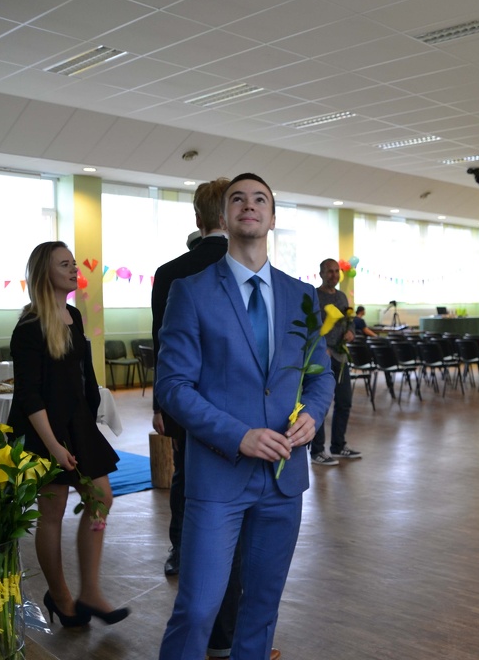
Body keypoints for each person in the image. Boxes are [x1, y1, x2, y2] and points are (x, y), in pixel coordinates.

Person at [156, 173, 334, 660]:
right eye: (238, 199)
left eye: (260, 200)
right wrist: (239, 436)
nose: (249, 205)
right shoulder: (191, 292)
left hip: (283, 477)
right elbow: (172, 387)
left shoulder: (301, 295)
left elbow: (320, 376)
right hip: (218, 476)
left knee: (262, 608)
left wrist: (313, 416)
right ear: (224, 216)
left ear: (272, 218)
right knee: (198, 609)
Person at [8, 241, 129, 628]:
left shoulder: (73, 315)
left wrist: (91, 418)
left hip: (78, 424)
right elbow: (29, 396)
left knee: (101, 497)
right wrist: (54, 447)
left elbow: (83, 374)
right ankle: (60, 597)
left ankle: (90, 591)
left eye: (74, 263)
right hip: (45, 430)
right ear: (44, 273)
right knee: (53, 511)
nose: (74, 269)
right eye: (65, 264)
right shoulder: (29, 328)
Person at [151, 178, 249, 659]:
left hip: (189, 408)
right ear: (231, 215)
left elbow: (164, 346)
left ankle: (184, 560)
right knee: (239, 516)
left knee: (190, 489)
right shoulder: (248, 268)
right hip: (245, 414)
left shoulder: (170, 273)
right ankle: (227, 632)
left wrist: (162, 405)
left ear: (197, 218)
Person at [309, 258, 362, 466]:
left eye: (336, 271)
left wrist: (351, 332)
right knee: (320, 403)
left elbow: (349, 321)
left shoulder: (341, 296)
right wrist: (322, 348)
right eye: (329, 271)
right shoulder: (314, 295)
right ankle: (317, 450)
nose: (334, 275)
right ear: (321, 274)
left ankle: (338, 446)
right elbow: (310, 326)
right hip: (321, 358)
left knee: (344, 401)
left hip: (340, 356)